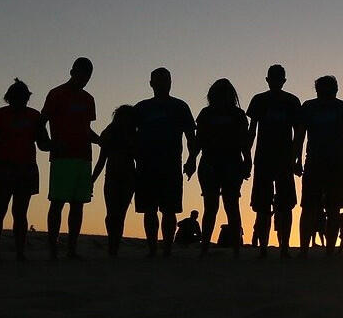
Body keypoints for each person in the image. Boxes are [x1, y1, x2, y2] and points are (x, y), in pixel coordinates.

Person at [295, 75, 343, 258]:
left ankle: (325, 251)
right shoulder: (309, 107)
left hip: (335, 163)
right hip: (316, 163)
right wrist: (296, 160)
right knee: (311, 207)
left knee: (330, 209)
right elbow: (299, 136)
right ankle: (307, 250)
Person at [133, 68, 195, 257]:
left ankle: (167, 249)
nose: (163, 84)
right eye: (159, 81)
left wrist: (192, 159)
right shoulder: (141, 108)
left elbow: (191, 136)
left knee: (169, 210)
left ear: (171, 82)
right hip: (146, 165)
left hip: (171, 165)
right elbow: (129, 133)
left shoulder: (180, 106)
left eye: (166, 80)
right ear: (151, 84)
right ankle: (152, 249)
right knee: (149, 209)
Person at [186, 79, 250, 257]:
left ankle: (231, 249)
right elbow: (199, 141)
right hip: (212, 163)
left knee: (229, 206)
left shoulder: (237, 114)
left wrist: (248, 160)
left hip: (229, 163)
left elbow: (244, 142)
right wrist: (191, 160)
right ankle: (207, 247)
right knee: (214, 206)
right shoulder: (207, 114)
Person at [0, 79, 47, 261]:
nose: (20, 101)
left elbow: (43, 143)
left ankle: (19, 252)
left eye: (23, 98)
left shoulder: (34, 116)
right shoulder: (0, 115)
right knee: (0, 210)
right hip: (5, 166)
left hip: (25, 167)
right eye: (17, 98)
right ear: (10, 98)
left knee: (19, 212)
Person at [44, 58, 100, 255]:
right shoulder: (56, 94)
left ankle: (71, 248)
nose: (84, 79)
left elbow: (86, 128)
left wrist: (99, 140)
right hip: (62, 157)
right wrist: (48, 144)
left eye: (88, 76)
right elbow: (42, 121)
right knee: (57, 201)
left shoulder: (88, 99)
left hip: (83, 157)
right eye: (82, 74)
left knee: (78, 204)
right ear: (72, 72)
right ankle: (53, 246)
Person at [245, 65, 302, 258]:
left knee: (286, 205)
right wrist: (247, 157)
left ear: (283, 81)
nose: (276, 82)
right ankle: (263, 248)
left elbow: (298, 133)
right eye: (273, 78)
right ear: (267, 80)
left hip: (285, 161)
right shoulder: (259, 100)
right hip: (263, 159)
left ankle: (284, 247)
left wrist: (297, 159)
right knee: (262, 206)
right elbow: (252, 131)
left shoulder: (292, 101)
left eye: (279, 79)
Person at [90, 105, 137, 257]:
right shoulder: (110, 133)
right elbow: (101, 159)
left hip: (128, 177)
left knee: (120, 214)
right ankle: (112, 243)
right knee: (112, 213)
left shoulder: (134, 134)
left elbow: (139, 157)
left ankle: (114, 246)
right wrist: (92, 179)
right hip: (113, 176)